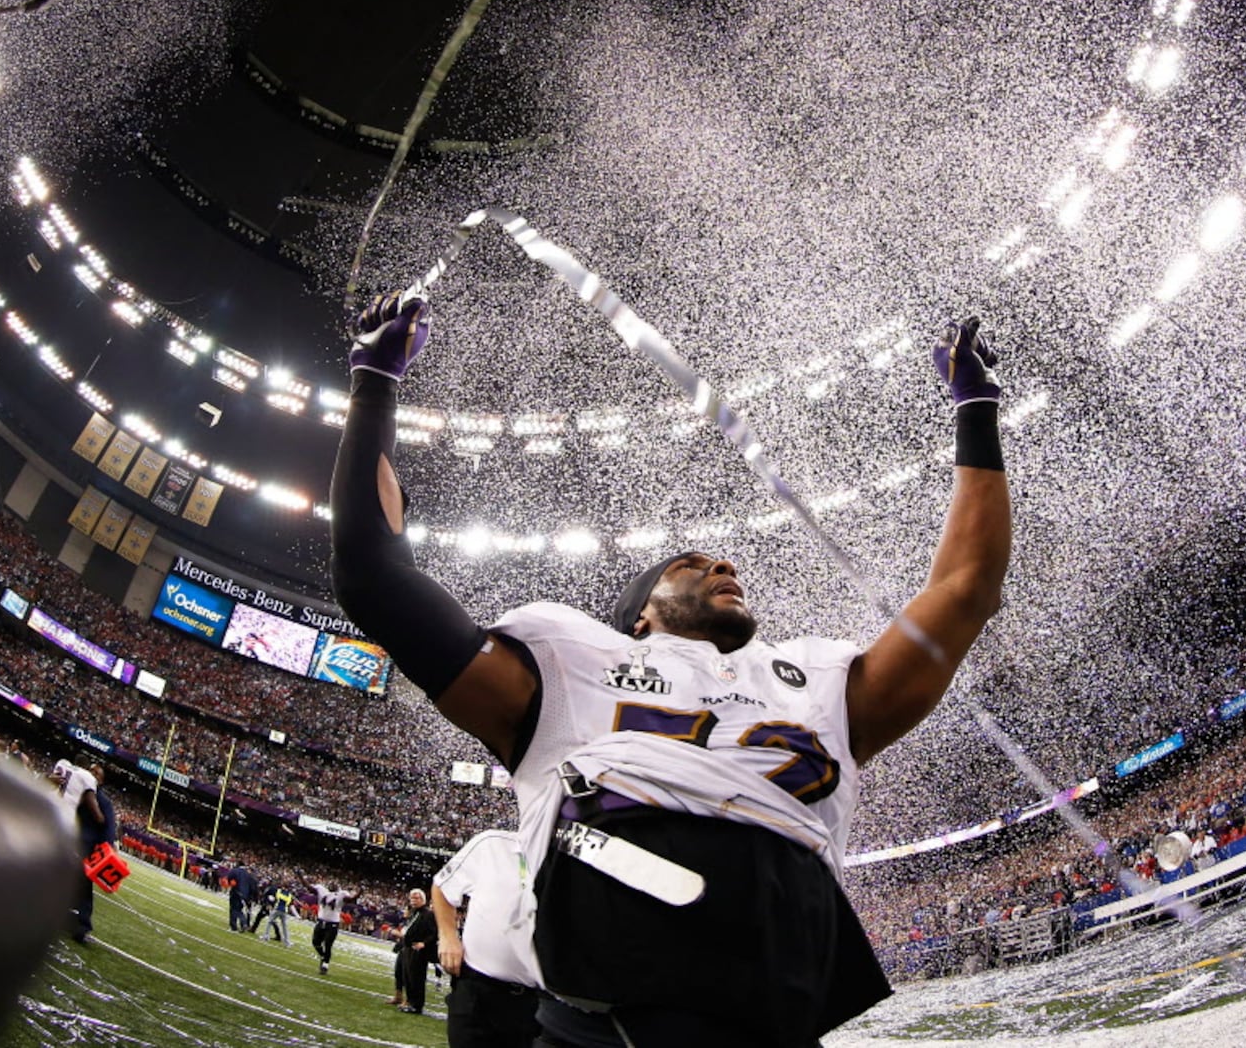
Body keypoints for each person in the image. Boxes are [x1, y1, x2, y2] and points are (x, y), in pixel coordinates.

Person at [329, 295, 1010, 1046]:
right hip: (604, 1017)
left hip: (773, 1005)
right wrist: (374, 380)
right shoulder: (570, 664)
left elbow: (965, 590)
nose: (723, 562)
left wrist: (975, 410)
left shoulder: (817, 679)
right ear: (639, 617)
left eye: (719, 559)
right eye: (689, 564)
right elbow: (373, 577)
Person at [432, 829, 539, 1046]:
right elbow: (442, 887)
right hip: (478, 989)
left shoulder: (571, 862)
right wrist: (448, 936)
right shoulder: (492, 844)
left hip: (540, 1002)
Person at [48, 759, 106, 942]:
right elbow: (91, 802)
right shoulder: (86, 778)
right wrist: (101, 819)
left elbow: (46, 780)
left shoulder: (64, 765)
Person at [72, 761, 118, 942]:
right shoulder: (77, 792)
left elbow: (108, 827)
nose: (92, 774)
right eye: (90, 770)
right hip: (70, 841)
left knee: (83, 887)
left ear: (101, 780)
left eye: (97, 773)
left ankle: (82, 926)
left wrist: (107, 848)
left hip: (87, 848)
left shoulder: (103, 801)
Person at [391, 887, 438, 1015]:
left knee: (416, 977)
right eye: (412, 898)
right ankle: (410, 1002)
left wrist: (424, 943)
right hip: (408, 947)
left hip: (418, 950)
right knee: (408, 976)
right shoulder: (415, 913)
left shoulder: (428, 914)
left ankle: (416, 1005)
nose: (413, 900)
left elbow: (433, 933)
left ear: (423, 899)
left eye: (416, 898)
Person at [311, 881, 356, 975]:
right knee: (315, 942)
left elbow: (350, 900)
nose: (332, 885)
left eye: (334, 884)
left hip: (333, 924)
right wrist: (300, 877)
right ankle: (323, 956)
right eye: (331, 884)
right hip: (321, 921)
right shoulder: (322, 890)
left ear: (337, 887)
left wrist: (359, 893)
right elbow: (309, 888)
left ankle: (325, 965)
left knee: (328, 944)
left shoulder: (341, 895)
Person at [228, 861, 257, 932]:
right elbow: (252, 887)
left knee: (233, 909)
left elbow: (229, 878)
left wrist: (232, 885)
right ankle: (243, 923)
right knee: (238, 909)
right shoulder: (248, 875)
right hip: (245, 895)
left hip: (236, 892)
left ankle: (235, 926)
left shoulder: (235, 871)